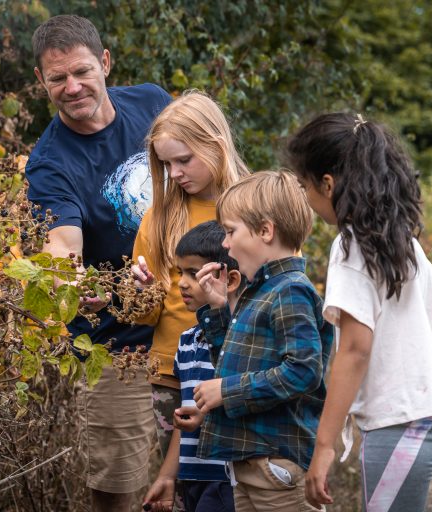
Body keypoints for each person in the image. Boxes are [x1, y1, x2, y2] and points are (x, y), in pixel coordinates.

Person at [284, 112, 432, 512]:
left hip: (398, 426)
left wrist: (324, 447)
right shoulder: (400, 242)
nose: (304, 197)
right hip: (422, 417)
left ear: (328, 184)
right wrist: (415, 386)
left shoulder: (350, 246)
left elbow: (355, 349)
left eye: (304, 186)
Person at [25, 14, 171, 512]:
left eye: (82, 71)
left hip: (193, 321)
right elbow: (62, 244)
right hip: (118, 351)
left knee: (204, 480)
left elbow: (208, 163)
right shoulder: (50, 164)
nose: (72, 87)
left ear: (105, 62)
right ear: (41, 82)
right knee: (118, 491)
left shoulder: (152, 103)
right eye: (57, 78)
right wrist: (69, 280)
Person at [176, 171, 334, 511]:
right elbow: (238, 360)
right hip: (248, 465)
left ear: (265, 231)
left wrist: (226, 391)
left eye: (231, 231)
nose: (226, 244)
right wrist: (219, 308)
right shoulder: (259, 293)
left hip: (275, 465)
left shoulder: (290, 290)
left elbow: (303, 371)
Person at [131, 91, 250, 457]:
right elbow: (145, 316)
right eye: (166, 165)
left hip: (241, 371)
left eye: (184, 160)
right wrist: (143, 293)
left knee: (239, 487)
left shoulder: (257, 206)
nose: (175, 173)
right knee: (183, 484)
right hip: (172, 375)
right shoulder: (160, 218)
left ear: (216, 146)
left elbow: (281, 286)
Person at [143, 221, 243, 512]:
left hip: (228, 478)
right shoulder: (186, 342)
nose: (182, 283)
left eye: (193, 272)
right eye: (179, 273)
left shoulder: (241, 340)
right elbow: (183, 420)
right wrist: (166, 475)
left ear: (230, 279)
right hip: (192, 477)